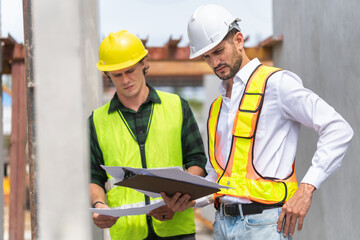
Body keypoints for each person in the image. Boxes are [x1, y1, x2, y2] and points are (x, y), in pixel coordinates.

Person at [161, 4, 354, 240]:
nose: (214, 62)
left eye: (219, 51)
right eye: (207, 56)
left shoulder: (276, 84)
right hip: (222, 225)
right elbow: (218, 178)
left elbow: (338, 128)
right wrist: (190, 199)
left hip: (265, 225)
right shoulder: (216, 108)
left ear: (239, 40)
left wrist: (307, 188)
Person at [89, 30, 207, 240]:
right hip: (128, 232)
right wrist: (99, 205)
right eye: (117, 75)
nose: (126, 80)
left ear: (144, 63)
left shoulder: (177, 106)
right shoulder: (97, 121)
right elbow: (93, 175)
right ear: (107, 75)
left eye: (130, 71)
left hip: (177, 229)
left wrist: (179, 199)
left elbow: (196, 160)